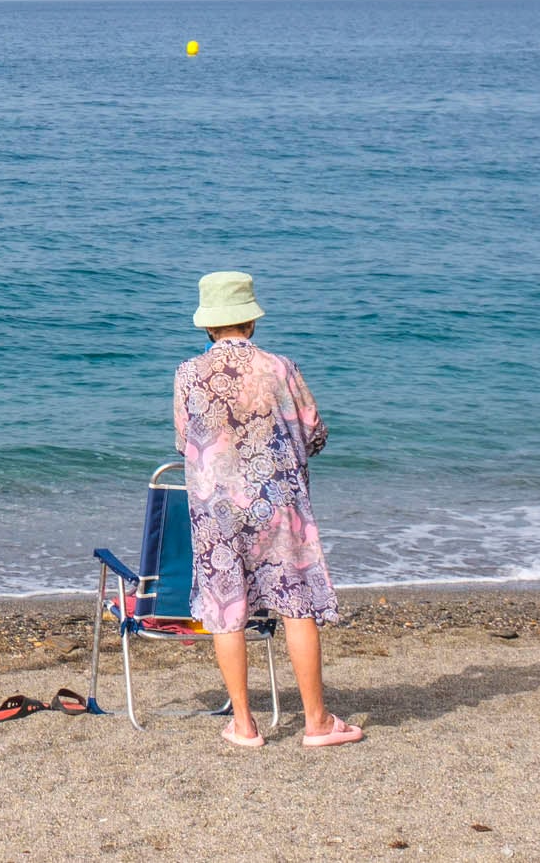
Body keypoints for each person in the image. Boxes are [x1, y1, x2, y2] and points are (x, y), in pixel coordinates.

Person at [174, 271, 363, 749]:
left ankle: (244, 724)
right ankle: (317, 723)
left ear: (208, 327)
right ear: (251, 322)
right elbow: (315, 432)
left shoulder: (187, 375)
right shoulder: (279, 368)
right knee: (297, 603)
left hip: (216, 511)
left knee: (226, 607)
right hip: (278, 504)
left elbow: (185, 444)